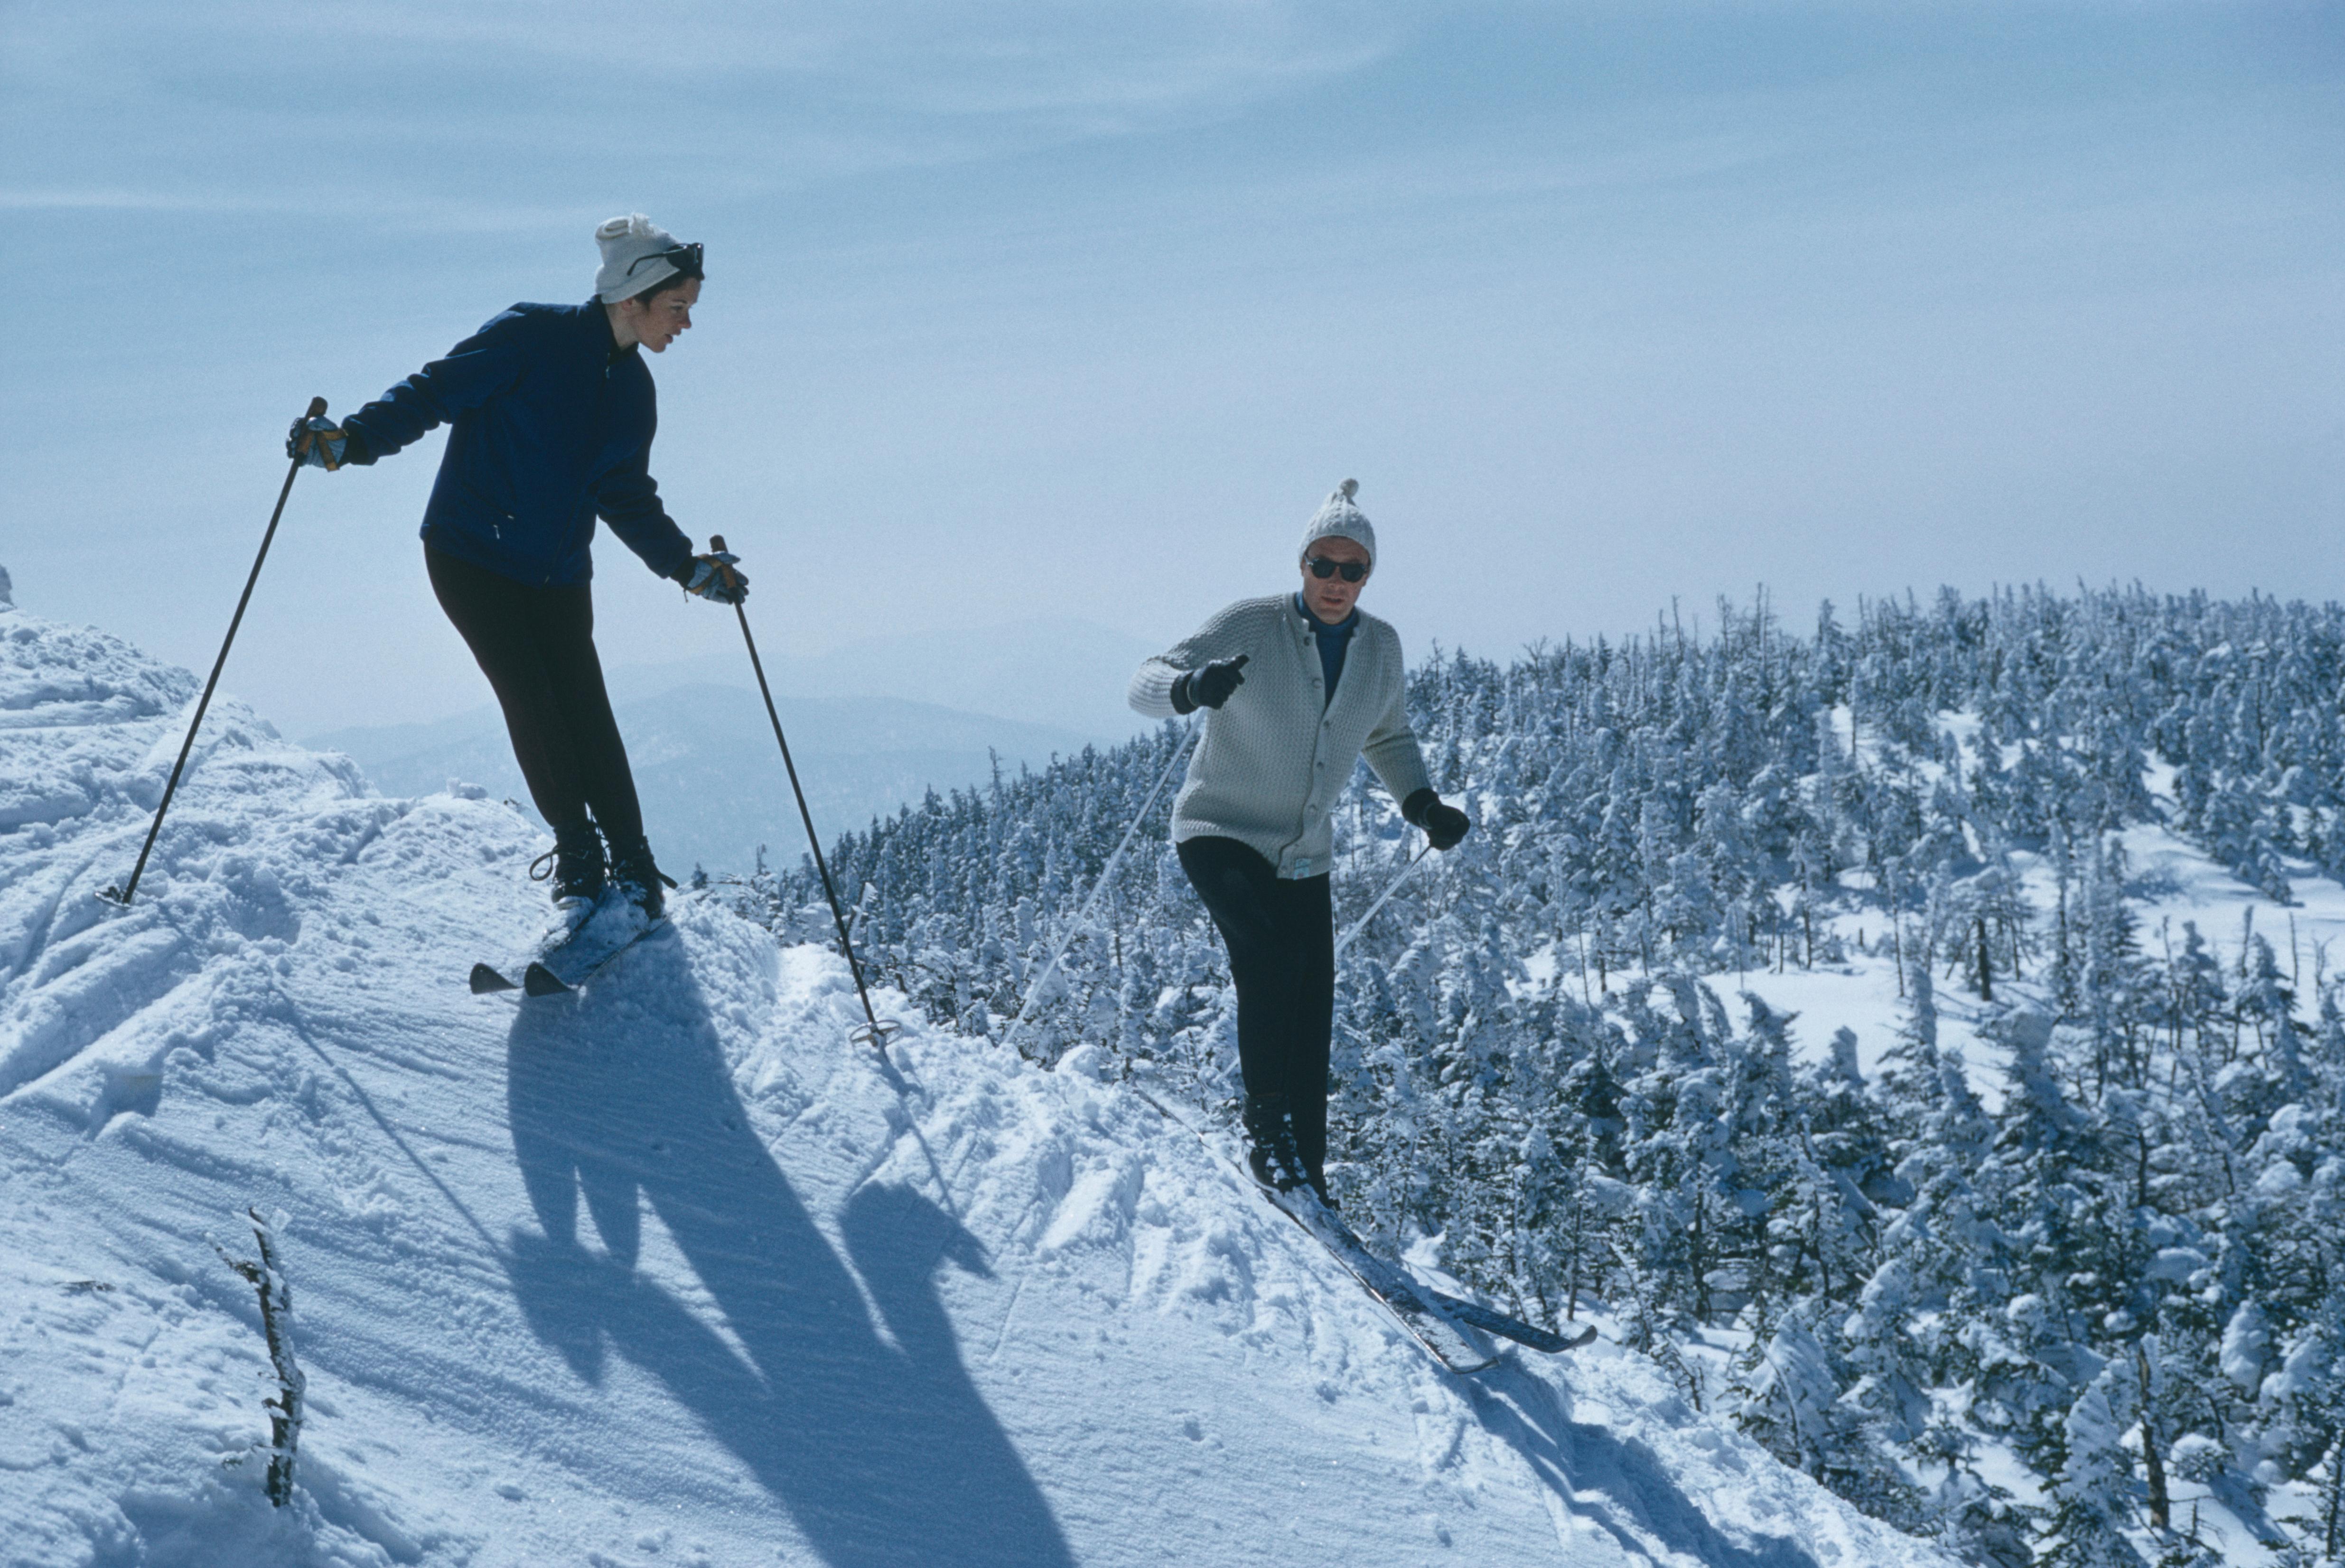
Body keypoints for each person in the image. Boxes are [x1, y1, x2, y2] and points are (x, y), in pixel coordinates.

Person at [286, 214, 746, 930]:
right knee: (533, 700)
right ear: (632, 298)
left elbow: (623, 493)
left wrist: (686, 567)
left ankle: (631, 861)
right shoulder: (530, 334)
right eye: (677, 306)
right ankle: (579, 860)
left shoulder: (633, 392)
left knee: (585, 707)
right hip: (472, 557)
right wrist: (352, 441)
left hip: (559, 571)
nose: (686, 323)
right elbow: (434, 392)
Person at [1129, 480, 1472, 1203]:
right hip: (1219, 827)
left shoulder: (1379, 646)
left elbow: (1387, 732)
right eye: (1325, 565)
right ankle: (1267, 1134)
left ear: (1368, 576)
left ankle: (1304, 1168)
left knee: (1312, 998)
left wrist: (1420, 802)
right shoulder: (1251, 624)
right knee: (1267, 958)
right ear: (1302, 563)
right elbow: (1145, 683)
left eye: (1354, 570)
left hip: (1303, 851)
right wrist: (1191, 687)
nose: (1337, 583)